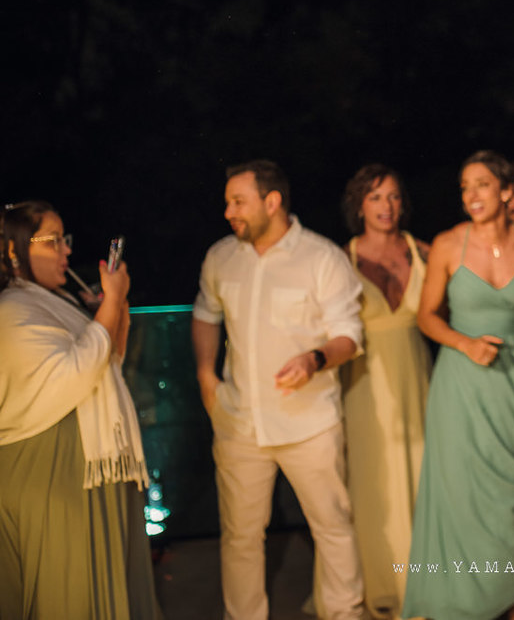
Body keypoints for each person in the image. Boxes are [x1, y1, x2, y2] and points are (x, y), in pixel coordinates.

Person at [191, 160, 366, 620]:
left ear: (272, 202)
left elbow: (349, 335)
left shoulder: (322, 257)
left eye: (238, 201)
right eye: (228, 201)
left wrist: (314, 359)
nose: (228, 211)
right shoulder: (220, 256)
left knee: (332, 525)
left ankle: (343, 613)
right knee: (240, 535)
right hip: (239, 422)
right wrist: (206, 375)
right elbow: (206, 314)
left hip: (309, 422)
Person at [403, 150, 514, 620]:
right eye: (464, 187)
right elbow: (426, 316)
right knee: (465, 495)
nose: (471, 195)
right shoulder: (447, 244)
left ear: (504, 190)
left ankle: (512, 598)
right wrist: (463, 342)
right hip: (462, 386)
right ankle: (464, 605)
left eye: (480, 185)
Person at [0, 200, 157, 619]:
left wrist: (114, 305)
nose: (66, 251)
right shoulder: (14, 310)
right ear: (14, 251)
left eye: (63, 240)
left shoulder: (57, 302)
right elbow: (77, 372)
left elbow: (110, 361)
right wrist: (109, 305)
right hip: (52, 468)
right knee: (69, 591)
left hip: (85, 463)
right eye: (52, 241)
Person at [340, 164, 432, 619]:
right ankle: (379, 586)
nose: (386, 207)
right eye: (376, 197)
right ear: (360, 204)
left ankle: (425, 586)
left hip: (418, 377)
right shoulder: (342, 259)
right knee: (374, 485)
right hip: (363, 385)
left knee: (420, 479)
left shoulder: (423, 252)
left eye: (394, 197)